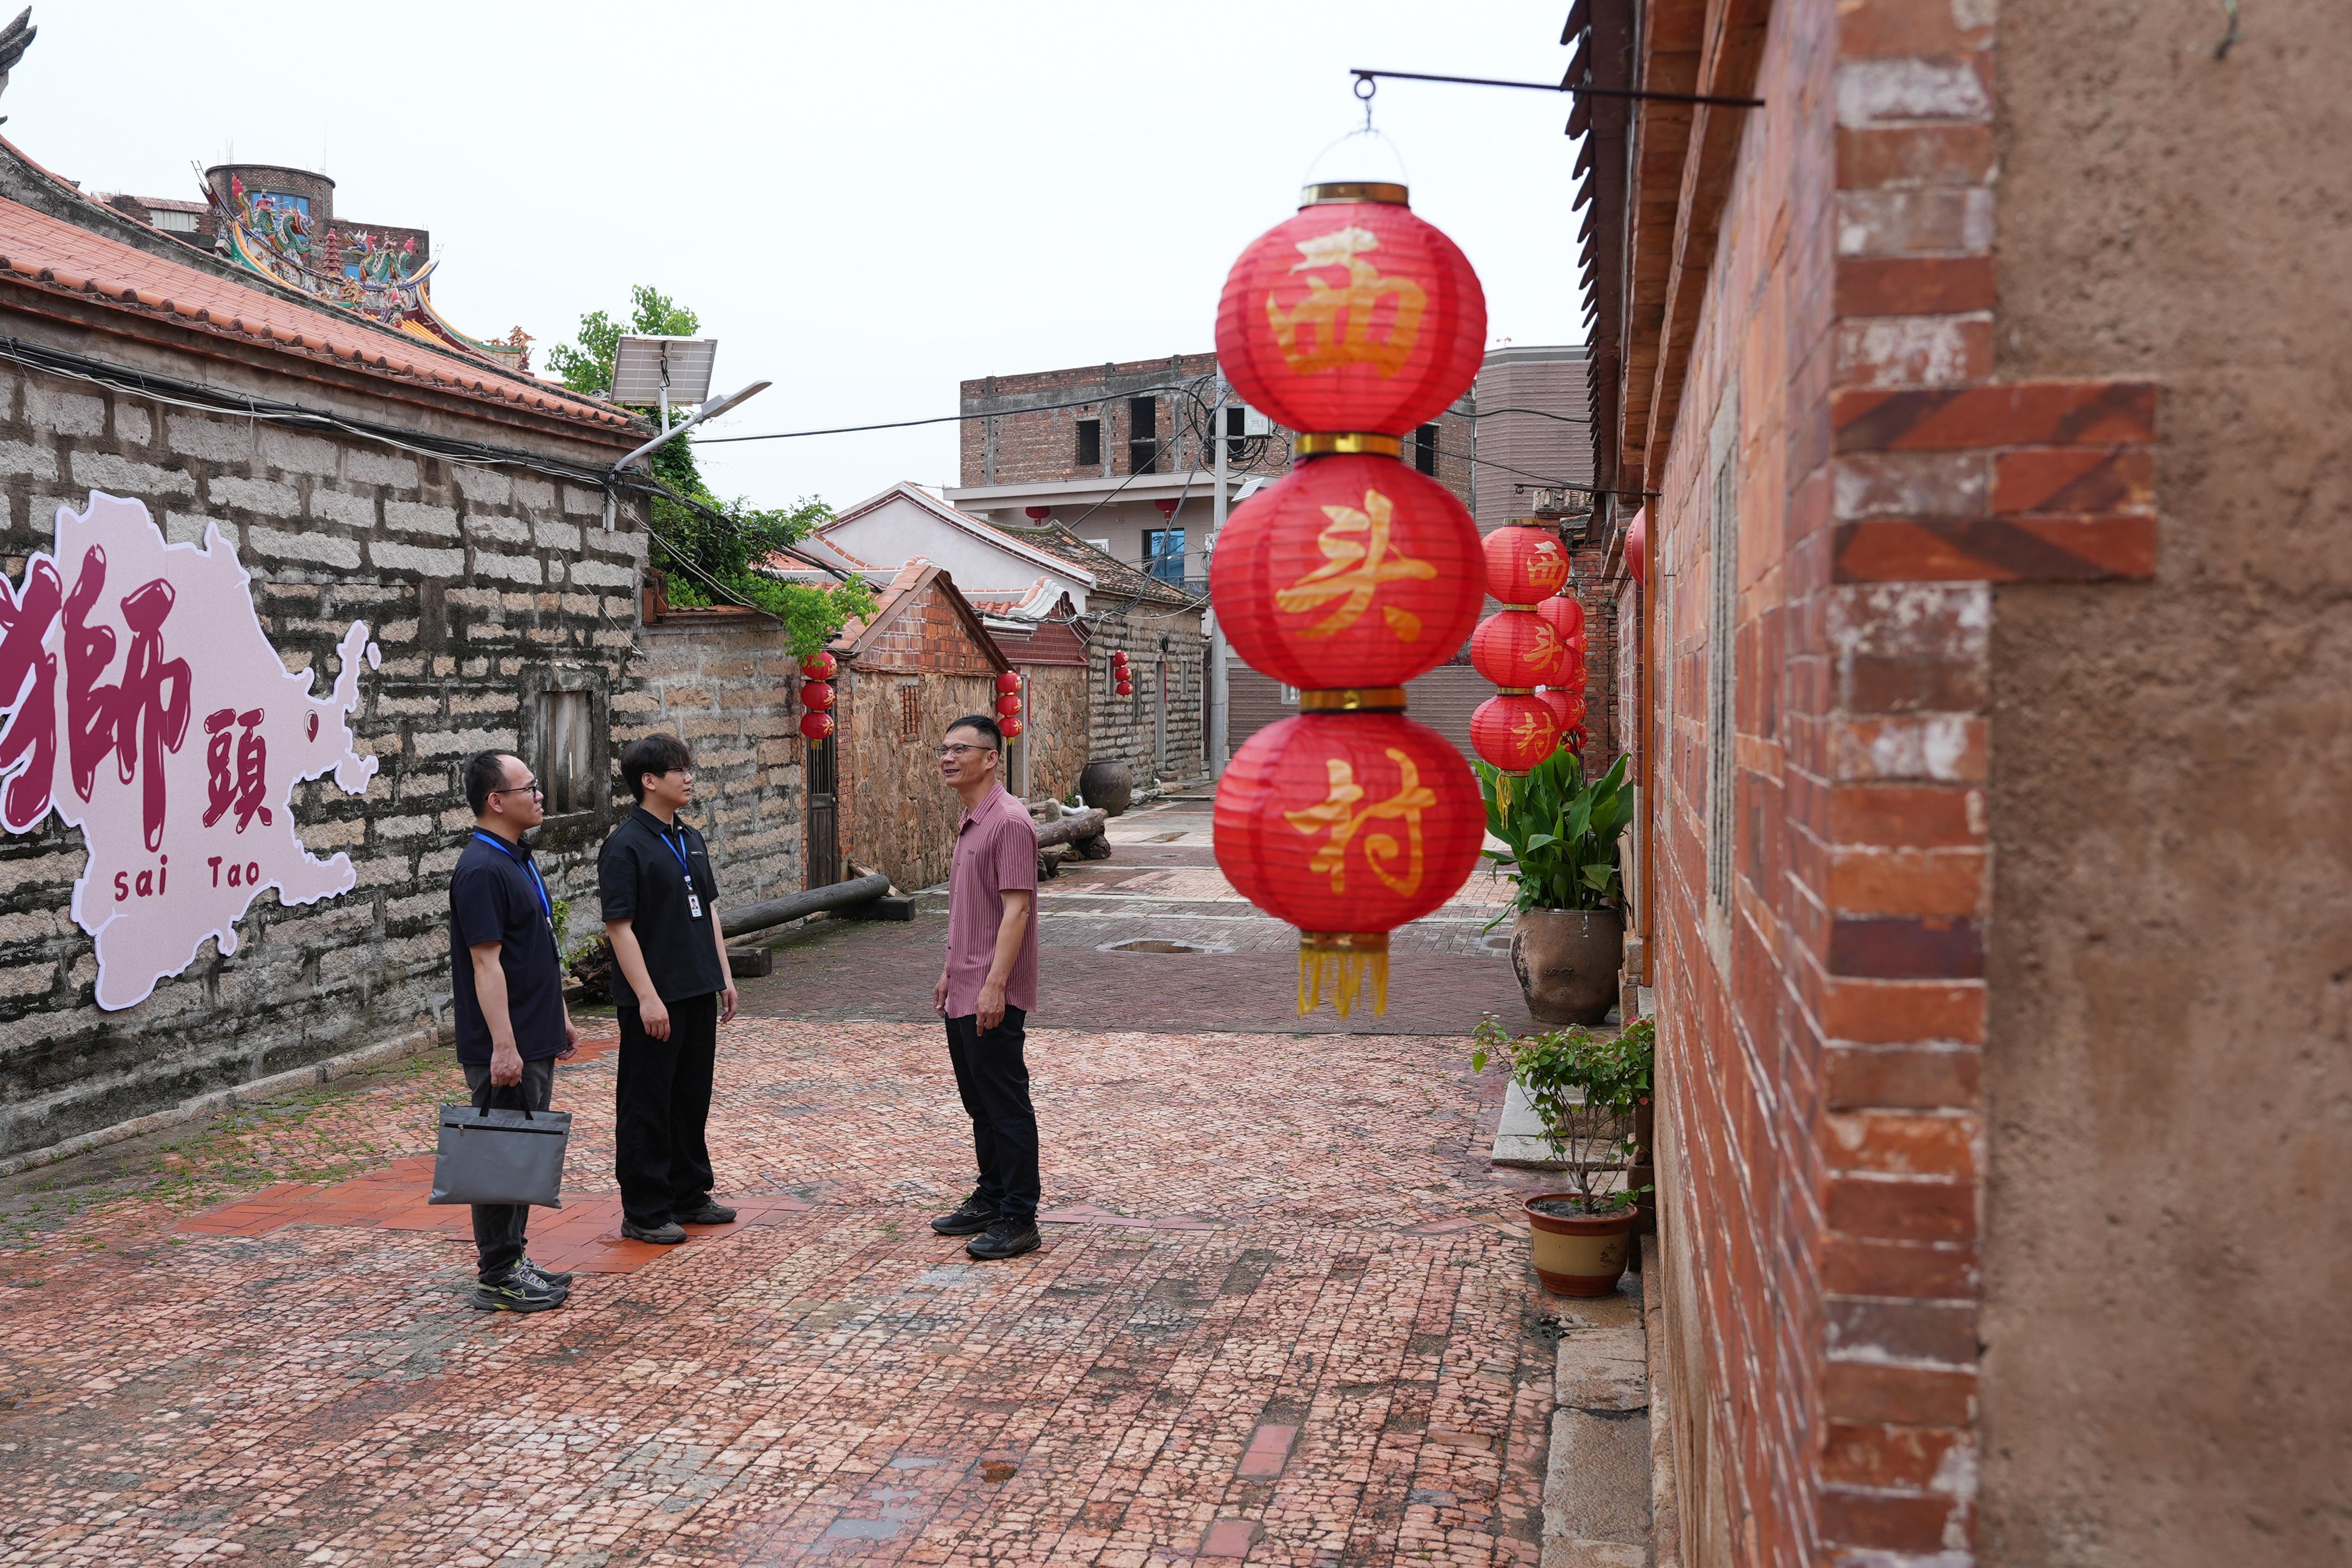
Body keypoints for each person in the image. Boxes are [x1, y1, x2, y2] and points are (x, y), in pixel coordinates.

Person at [448, 750, 582, 1313]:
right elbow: (486, 964)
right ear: (496, 801)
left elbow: (536, 947)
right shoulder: (482, 869)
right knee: (499, 1156)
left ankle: (515, 1257)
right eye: (529, 787)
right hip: (508, 1044)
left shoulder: (515, 857)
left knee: (520, 1153)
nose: (540, 794)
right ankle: (497, 1274)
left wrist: (559, 1016)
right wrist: (504, 1045)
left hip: (534, 1032)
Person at [600, 733, 740, 1245]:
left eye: (688, 768)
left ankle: (689, 1192)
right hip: (655, 998)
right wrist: (647, 997)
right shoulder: (624, 845)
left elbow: (710, 910)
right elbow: (619, 927)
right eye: (679, 770)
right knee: (647, 1103)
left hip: (697, 988)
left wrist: (723, 975)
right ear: (649, 781)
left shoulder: (689, 837)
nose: (689, 778)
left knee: (690, 1097)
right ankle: (644, 1208)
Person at [929, 713, 1043, 1262]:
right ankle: (992, 1195)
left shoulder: (1010, 822)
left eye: (961, 749)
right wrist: (950, 971)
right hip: (965, 985)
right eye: (943, 749)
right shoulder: (972, 819)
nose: (948, 758)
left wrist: (995, 985)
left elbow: (1017, 910)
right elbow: (973, 910)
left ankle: (1020, 1217)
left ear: (992, 757)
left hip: (991, 991)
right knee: (980, 1103)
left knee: (1005, 1104)